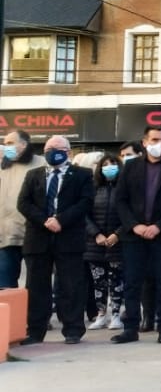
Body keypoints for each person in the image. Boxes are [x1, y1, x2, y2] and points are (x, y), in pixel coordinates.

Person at [112, 126, 161, 345]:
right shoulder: (131, 167)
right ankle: (131, 328)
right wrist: (134, 225)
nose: (160, 144)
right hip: (134, 235)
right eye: (155, 139)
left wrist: (159, 226)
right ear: (145, 142)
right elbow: (120, 200)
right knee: (132, 282)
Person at [17, 136, 94, 345]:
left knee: (70, 285)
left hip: (68, 237)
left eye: (58, 148)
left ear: (68, 152)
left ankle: (72, 329)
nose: (53, 151)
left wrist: (61, 220)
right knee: (36, 286)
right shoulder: (33, 175)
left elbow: (85, 202)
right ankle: (35, 330)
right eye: (49, 148)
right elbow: (23, 203)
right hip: (38, 237)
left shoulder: (82, 175)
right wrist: (45, 221)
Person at [1, 130, 46, 288]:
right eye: (5, 143)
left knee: (35, 284)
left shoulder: (42, 163)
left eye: (10, 143)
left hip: (33, 233)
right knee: (5, 286)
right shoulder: (3, 165)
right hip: (6, 236)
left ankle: (33, 313)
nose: (6, 147)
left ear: (24, 144)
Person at [86, 154, 125, 331]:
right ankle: (101, 314)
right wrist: (96, 234)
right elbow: (85, 214)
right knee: (98, 281)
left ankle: (116, 314)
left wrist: (118, 234)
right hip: (96, 244)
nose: (109, 167)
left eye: (113, 164)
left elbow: (131, 214)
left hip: (118, 242)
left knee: (116, 281)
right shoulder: (93, 188)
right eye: (106, 164)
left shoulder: (125, 188)